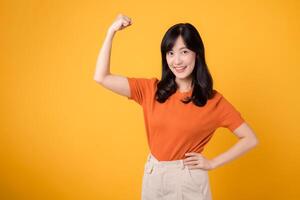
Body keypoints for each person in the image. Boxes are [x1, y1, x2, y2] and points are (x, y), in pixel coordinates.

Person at [94, 13, 259, 200]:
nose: (177, 61)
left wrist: (213, 163)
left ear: (197, 53)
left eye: (184, 51)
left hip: (188, 180)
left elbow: (250, 139)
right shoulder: (151, 90)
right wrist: (111, 32)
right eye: (171, 53)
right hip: (153, 175)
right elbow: (102, 77)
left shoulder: (213, 101)